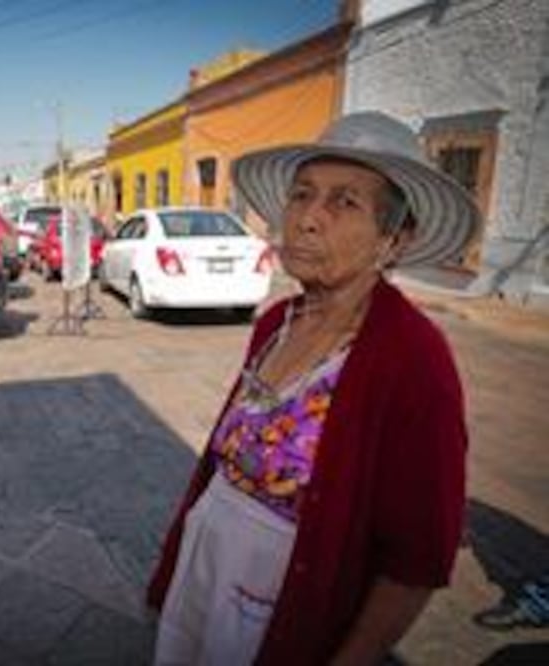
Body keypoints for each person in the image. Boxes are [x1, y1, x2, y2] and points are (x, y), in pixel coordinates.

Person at [147, 112, 480, 665]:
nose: (306, 219)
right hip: (205, 568)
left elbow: (418, 558)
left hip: (284, 604)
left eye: (344, 202)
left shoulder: (415, 359)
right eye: (302, 195)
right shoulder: (276, 320)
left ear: (394, 240)